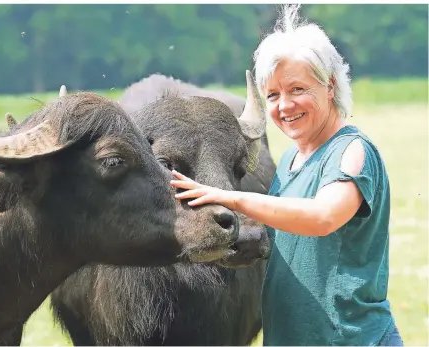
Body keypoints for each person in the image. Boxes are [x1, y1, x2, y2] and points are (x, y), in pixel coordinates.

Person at [170, 5, 403, 346]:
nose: (285, 106)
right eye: (274, 95)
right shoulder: (293, 158)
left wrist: (232, 199)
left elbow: (323, 217)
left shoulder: (352, 151)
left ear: (330, 85)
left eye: (297, 89)